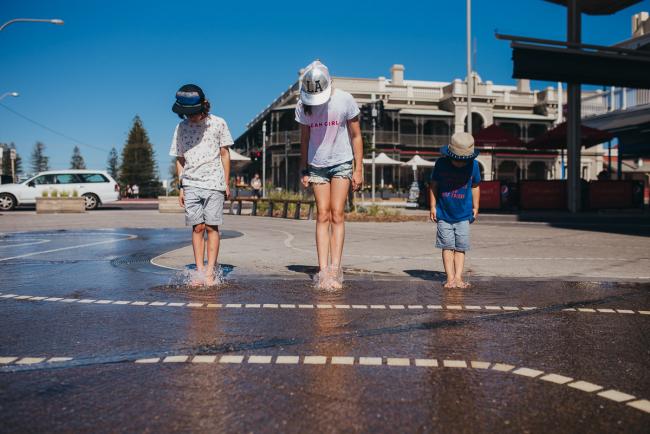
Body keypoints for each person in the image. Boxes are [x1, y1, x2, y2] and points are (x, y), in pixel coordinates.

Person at [296, 60, 363, 289]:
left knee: (337, 214)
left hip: (342, 162)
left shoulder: (345, 99)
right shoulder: (302, 105)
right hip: (317, 164)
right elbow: (304, 139)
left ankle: (335, 269)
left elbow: (356, 135)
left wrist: (359, 168)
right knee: (322, 214)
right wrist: (304, 168)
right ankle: (323, 270)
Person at [169, 84, 233, 286]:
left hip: (214, 182)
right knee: (198, 227)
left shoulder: (218, 123)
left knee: (212, 227)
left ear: (203, 107)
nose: (190, 118)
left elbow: (225, 154)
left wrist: (226, 182)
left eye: (193, 113)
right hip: (190, 184)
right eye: (186, 114)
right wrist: (181, 186)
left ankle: (210, 271)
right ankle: (199, 270)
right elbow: (180, 158)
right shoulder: (181, 128)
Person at [429, 132, 481, 289]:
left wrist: (476, 206)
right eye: (457, 160)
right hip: (444, 213)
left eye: (463, 160)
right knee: (447, 246)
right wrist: (432, 206)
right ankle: (450, 278)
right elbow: (433, 185)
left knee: (460, 247)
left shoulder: (474, 165)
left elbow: (475, 186)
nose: (460, 163)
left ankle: (458, 277)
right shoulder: (441, 164)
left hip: (464, 215)